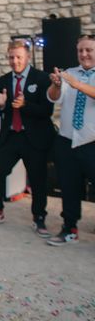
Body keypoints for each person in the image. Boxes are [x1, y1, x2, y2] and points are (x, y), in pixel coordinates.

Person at [0, 40, 55, 237]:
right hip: (10, 136)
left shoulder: (42, 78)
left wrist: (25, 105)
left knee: (38, 180)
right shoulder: (3, 80)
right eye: (11, 57)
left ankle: (39, 218)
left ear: (27, 57)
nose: (15, 61)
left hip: (34, 138)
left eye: (19, 57)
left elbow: (47, 110)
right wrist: (1, 104)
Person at [46, 34, 95, 246]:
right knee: (69, 186)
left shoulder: (74, 79)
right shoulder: (69, 74)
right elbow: (53, 98)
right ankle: (69, 228)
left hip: (92, 141)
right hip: (66, 140)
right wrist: (57, 84)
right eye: (80, 51)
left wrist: (78, 84)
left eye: (89, 50)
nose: (84, 54)